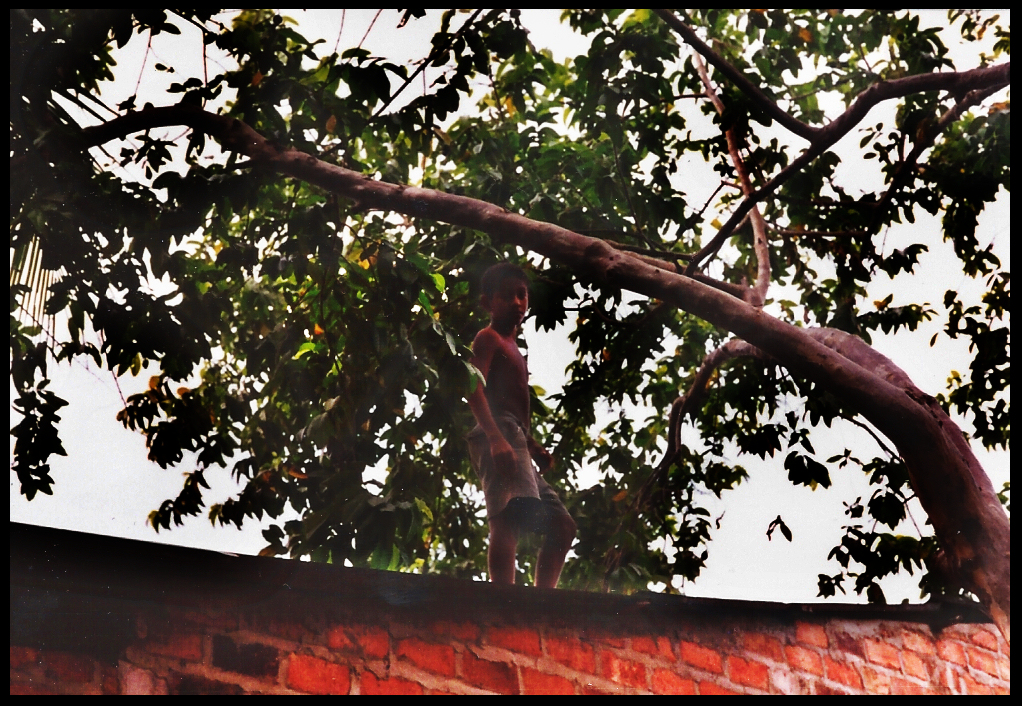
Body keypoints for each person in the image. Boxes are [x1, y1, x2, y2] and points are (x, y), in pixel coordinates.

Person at [466, 263, 576, 588]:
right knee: (507, 518)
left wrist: (532, 447)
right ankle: (504, 598)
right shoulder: (488, 338)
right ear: (488, 303)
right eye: (506, 296)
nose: (516, 302)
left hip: (513, 436)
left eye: (521, 295)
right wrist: (495, 438)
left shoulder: (514, 347)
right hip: (496, 433)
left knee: (562, 525)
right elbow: (473, 388)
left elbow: (511, 407)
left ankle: (544, 599)